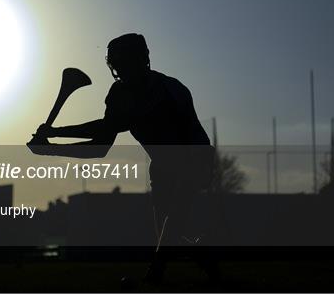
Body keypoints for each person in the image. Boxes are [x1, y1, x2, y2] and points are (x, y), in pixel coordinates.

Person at [29, 33, 218, 284]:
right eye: (116, 64)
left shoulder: (169, 90)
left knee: (172, 221)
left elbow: (111, 128)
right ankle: (206, 259)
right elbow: (101, 144)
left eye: (124, 62)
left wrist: (54, 136)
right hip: (162, 165)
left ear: (142, 60)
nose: (119, 69)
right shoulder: (119, 93)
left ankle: (154, 277)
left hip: (194, 158)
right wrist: (51, 142)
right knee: (169, 231)